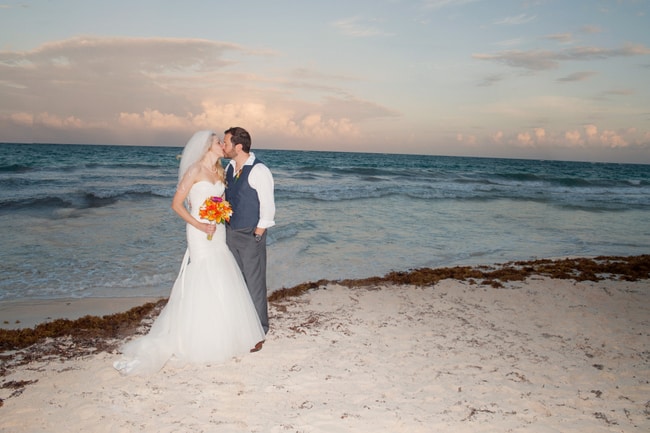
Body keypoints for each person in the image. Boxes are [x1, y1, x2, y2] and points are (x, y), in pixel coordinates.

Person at [113, 130, 265, 375]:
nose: (221, 145)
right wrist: (199, 224)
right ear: (207, 146)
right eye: (218, 141)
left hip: (217, 232)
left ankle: (222, 333)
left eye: (221, 141)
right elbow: (176, 204)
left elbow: (221, 202)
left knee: (221, 274)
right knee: (202, 274)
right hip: (199, 231)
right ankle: (196, 337)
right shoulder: (194, 170)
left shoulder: (219, 171)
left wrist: (221, 214)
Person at [221, 127, 275, 350]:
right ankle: (242, 326)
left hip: (250, 234)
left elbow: (268, 207)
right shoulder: (230, 167)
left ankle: (259, 331)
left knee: (254, 284)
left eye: (226, 143)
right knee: (236, 281)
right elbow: (228, 196)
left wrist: (257, 234)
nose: (223, 147)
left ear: (238, 146)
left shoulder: (260, 170)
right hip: (230, 232)